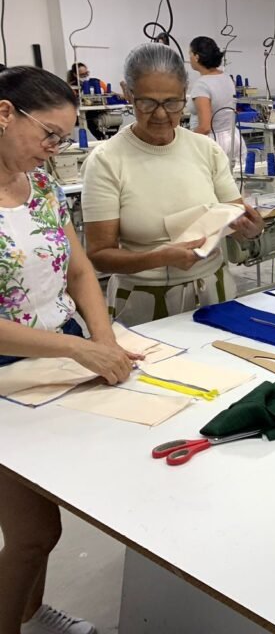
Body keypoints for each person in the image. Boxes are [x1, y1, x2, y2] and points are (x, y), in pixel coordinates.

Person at [0, 66, 139, 634]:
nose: (55, 149)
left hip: (60, 357)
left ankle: (30, 613)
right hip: (9, 377)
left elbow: (79, 271)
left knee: (48, 523)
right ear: (4, 114)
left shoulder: (43, 187)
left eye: (62, 138)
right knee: (33, 533)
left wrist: (103, 340)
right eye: (49, 135)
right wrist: (77, 350)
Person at [82, 44, 263, 326]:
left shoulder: (206, 149)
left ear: (185, 94)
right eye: (147, 103)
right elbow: (99, 256)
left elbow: (236, 219)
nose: (161, 114)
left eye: (172, 103)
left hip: (214, 294)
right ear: (127, 92)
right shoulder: (107, 160)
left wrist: (251, 230)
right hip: (144, 302)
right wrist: (158, 258)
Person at [188, 36, 247, 170]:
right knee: (234, 181)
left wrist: (186, 140)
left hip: (212, 143)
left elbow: (205, 127)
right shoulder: (227, 78)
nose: (189, 58)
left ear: (196, 57)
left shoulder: (202, 85)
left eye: (190, 53)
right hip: (233, 138)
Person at [66, 63, 108, 141]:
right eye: (82, 75)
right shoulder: (72, 87)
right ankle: (101, 138)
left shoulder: (97, 82)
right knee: (89, 119)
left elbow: (108, 92)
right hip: (84, 114)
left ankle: (104, 138)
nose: (85, 76)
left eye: (87, 73)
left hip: (99, 110)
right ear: (75, 75)